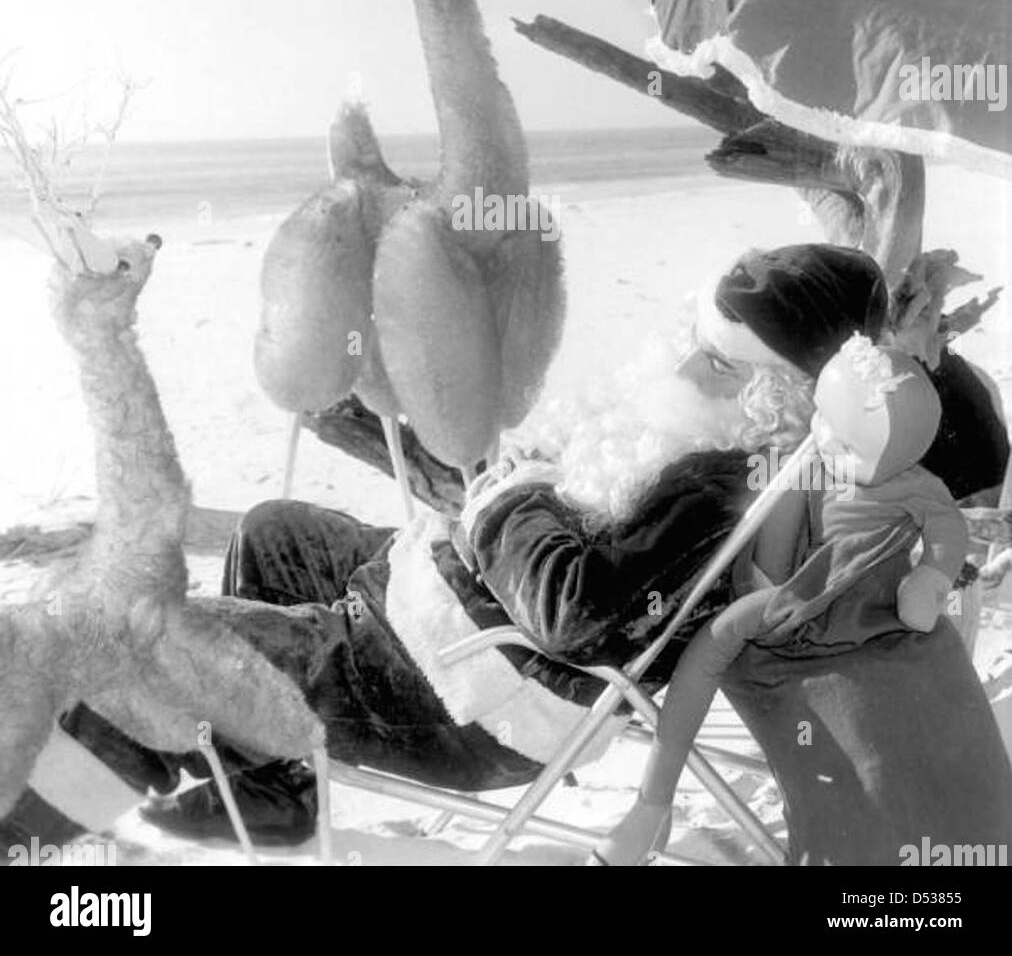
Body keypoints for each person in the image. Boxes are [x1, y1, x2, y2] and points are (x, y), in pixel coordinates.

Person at [3, 244, 1008, 864]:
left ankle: (27, 834)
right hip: (432, 613)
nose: (678, 363)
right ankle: (278, 783)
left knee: (157, 650)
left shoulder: (717, 490)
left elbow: (574, 611)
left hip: (452, 693)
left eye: (713, 359)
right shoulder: (705, 449)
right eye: (690, 339)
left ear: (777, 394)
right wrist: (521, 494)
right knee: (274, 528)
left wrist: (505, 499)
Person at [590, 336, 969, 865]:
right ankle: (652, 802)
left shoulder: (914, 487)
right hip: (797, 597)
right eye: (821, 418)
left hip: (864, 599)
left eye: (845, 444)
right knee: (718, 640)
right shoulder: (802, 465)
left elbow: (948, 529)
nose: (824, 438)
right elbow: (776, 536)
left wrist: (932, 576)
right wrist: (775, 588)